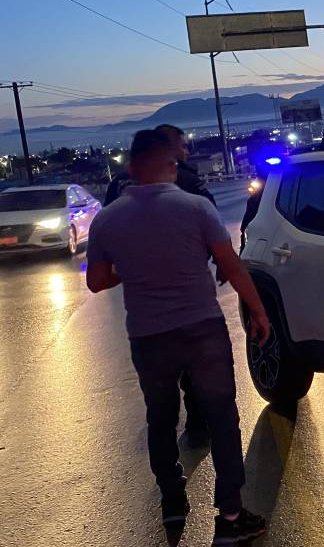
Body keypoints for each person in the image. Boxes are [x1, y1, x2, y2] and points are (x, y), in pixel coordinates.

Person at [86, 129, 270, 543]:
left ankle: (172, 502)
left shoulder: (108, 219)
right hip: (202, 327)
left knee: (161, 416)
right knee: (223, 416)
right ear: (172, 166)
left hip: (149, 335)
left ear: (131, 169)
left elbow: (97, 281)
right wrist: (258, 312)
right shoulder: (196, 207)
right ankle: (230, 516)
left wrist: (133, 269)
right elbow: (232, 266)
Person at [104, 124, 214, 448]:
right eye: (182, 145)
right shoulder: (188, 179)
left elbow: (109, 230)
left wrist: (128, 266)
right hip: (187, 293)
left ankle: (168, 470)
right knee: (194, 356)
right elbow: (213, 228)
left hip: (142, 304)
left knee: (156, 372)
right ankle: (196, 421)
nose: (186, 151)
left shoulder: (119, 185)